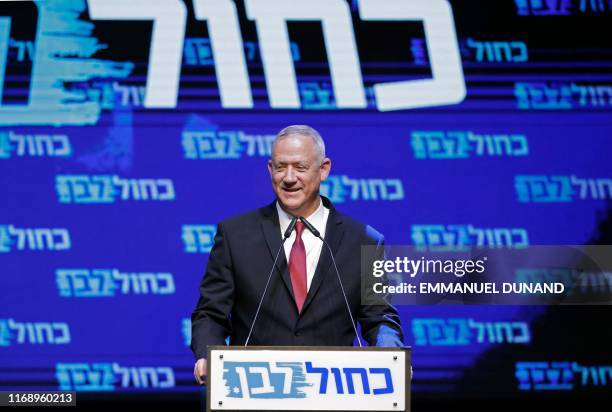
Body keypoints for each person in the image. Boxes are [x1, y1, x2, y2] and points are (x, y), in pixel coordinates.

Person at [191, 125, 404, 385]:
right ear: (270, 169)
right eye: (280, 167)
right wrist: (207, 353)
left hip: (333, 393)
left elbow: (379, 316)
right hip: (255, 391)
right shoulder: (235, 235)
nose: (289, 178)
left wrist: (391, 356)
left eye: (300, 167)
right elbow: (211, 313)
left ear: (324, 169)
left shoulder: (364, 240)